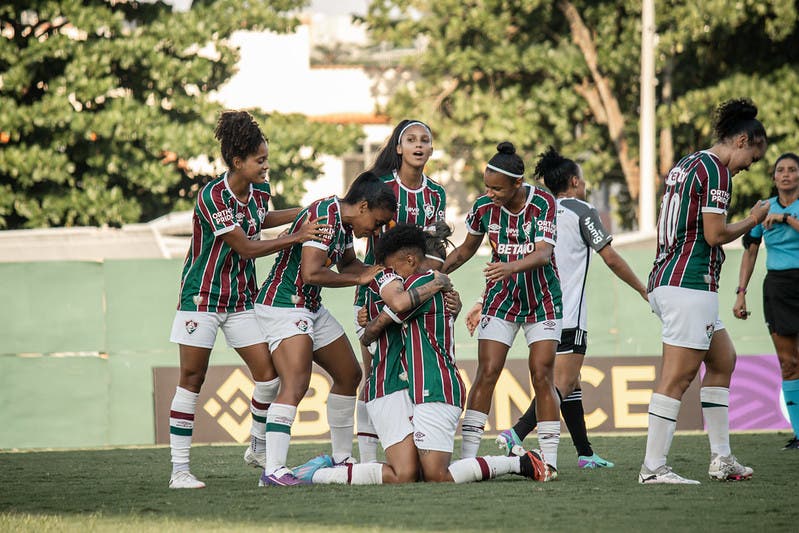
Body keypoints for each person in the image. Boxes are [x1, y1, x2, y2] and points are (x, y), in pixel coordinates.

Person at [291, 223, 549, 485]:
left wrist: (370, 323)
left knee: (436, 475)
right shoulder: (420, 284)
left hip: (436, 384)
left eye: (393, 267)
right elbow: (390, 316)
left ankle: (521, 463)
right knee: (407, 474)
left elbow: (377, 327)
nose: (390, 273)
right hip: (415, 386)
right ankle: (320, 472)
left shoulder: (421, 283)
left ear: (411, 259)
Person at [167, 110, 330, 489]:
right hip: (201, 299)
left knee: (268, 376)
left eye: (266, 158)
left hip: (241, 300)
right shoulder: (212, 195)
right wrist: (298, 234)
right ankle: (179, 471)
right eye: (260, 160)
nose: (266, 165)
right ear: (237, 161)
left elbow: (264, 218)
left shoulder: (259, 191)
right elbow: (246, 247)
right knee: (192, 378)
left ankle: (256, 447)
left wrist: (311, 211)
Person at [490, 146, 649, 468]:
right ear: (575, 182)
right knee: (561, 383)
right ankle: (516, 433)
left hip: (537, 311)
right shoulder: (582, 211)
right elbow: (611, 257)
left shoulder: (539, 209)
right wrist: (643, 289)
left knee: (570, 383)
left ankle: (585, 453)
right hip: (568, 311)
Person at [640, 98, 771, 485]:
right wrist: (753, 219)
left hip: (672, 279)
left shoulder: (688, 163)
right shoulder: (717, 171)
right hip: (689, 283)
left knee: (723, 359)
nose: (750, 166)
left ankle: (721, 458)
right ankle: (652, 468)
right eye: (753, 157)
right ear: (742, 140)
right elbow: (715, 235)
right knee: (677, 378)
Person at [253, 171, 397, 487]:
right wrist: (360, 279)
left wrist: (378, 274)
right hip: (284, 304)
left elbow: (347, 266)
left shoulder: (343, 222)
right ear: (362, 207)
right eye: (377, 221)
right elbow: (311, 272)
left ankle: (342, 459)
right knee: (296, 383)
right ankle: (273, 470)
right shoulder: (326, 217)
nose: (376, 230)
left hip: (309, 306)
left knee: (349, 375)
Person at [442, 142, 563, 477]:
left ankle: (550, 460)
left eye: (497, 188)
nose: (490, 193)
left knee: (541, 374)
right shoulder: (483, 208)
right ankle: (468, 457)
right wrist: (436, 274)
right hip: (501, 299)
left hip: (543, 300)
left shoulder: (542, 202)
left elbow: (542, 254)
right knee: (488, 372)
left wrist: (508, 267)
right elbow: (466, 250)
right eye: (487, 187)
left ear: (517, 185)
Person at [353, 119, 447, 464]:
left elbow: (436, 254)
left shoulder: (437, 193)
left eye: (425, 140)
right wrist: (366, 301)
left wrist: (439, 281)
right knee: (375, 375)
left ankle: (415, 454)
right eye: (411, 140)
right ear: (398, 148)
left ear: (431, 149)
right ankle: (366, 459)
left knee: (417, 375)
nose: (419, 145)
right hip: (377, 293)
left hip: (418, 298)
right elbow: (363, 231)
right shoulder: (380, 187)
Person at [734, 152, 799, 450]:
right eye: (780, 170)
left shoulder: (783, 211)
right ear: (773, 177)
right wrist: (741, 292)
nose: (786, 175)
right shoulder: (763, 208)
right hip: (778, 288)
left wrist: (786, 219)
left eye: (792, 170)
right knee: (789, 364)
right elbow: (750, 250)